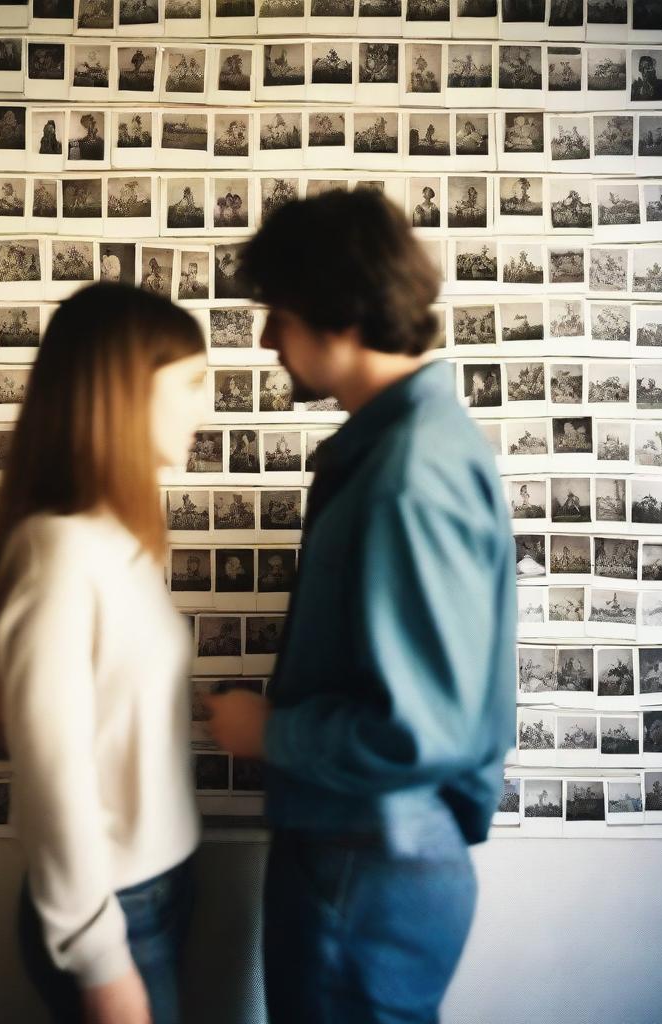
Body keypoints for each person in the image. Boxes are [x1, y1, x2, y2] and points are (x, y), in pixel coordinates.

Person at [205, 188, 517, 1024]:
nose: (267, 338)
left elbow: (422, 729)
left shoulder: (410, 473)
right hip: (369, 856)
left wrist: (265, 731)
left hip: (365, 865)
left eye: (278, 313)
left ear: (335, 312)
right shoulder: (410, 451)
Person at [0, 282, 210, 1024]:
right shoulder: (59, 550)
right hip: (114, 912)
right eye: (195, 384)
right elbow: (54, 773)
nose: (207, 408)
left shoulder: (124, 542)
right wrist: (101, 958)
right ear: (126, 393)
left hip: (162, 885)